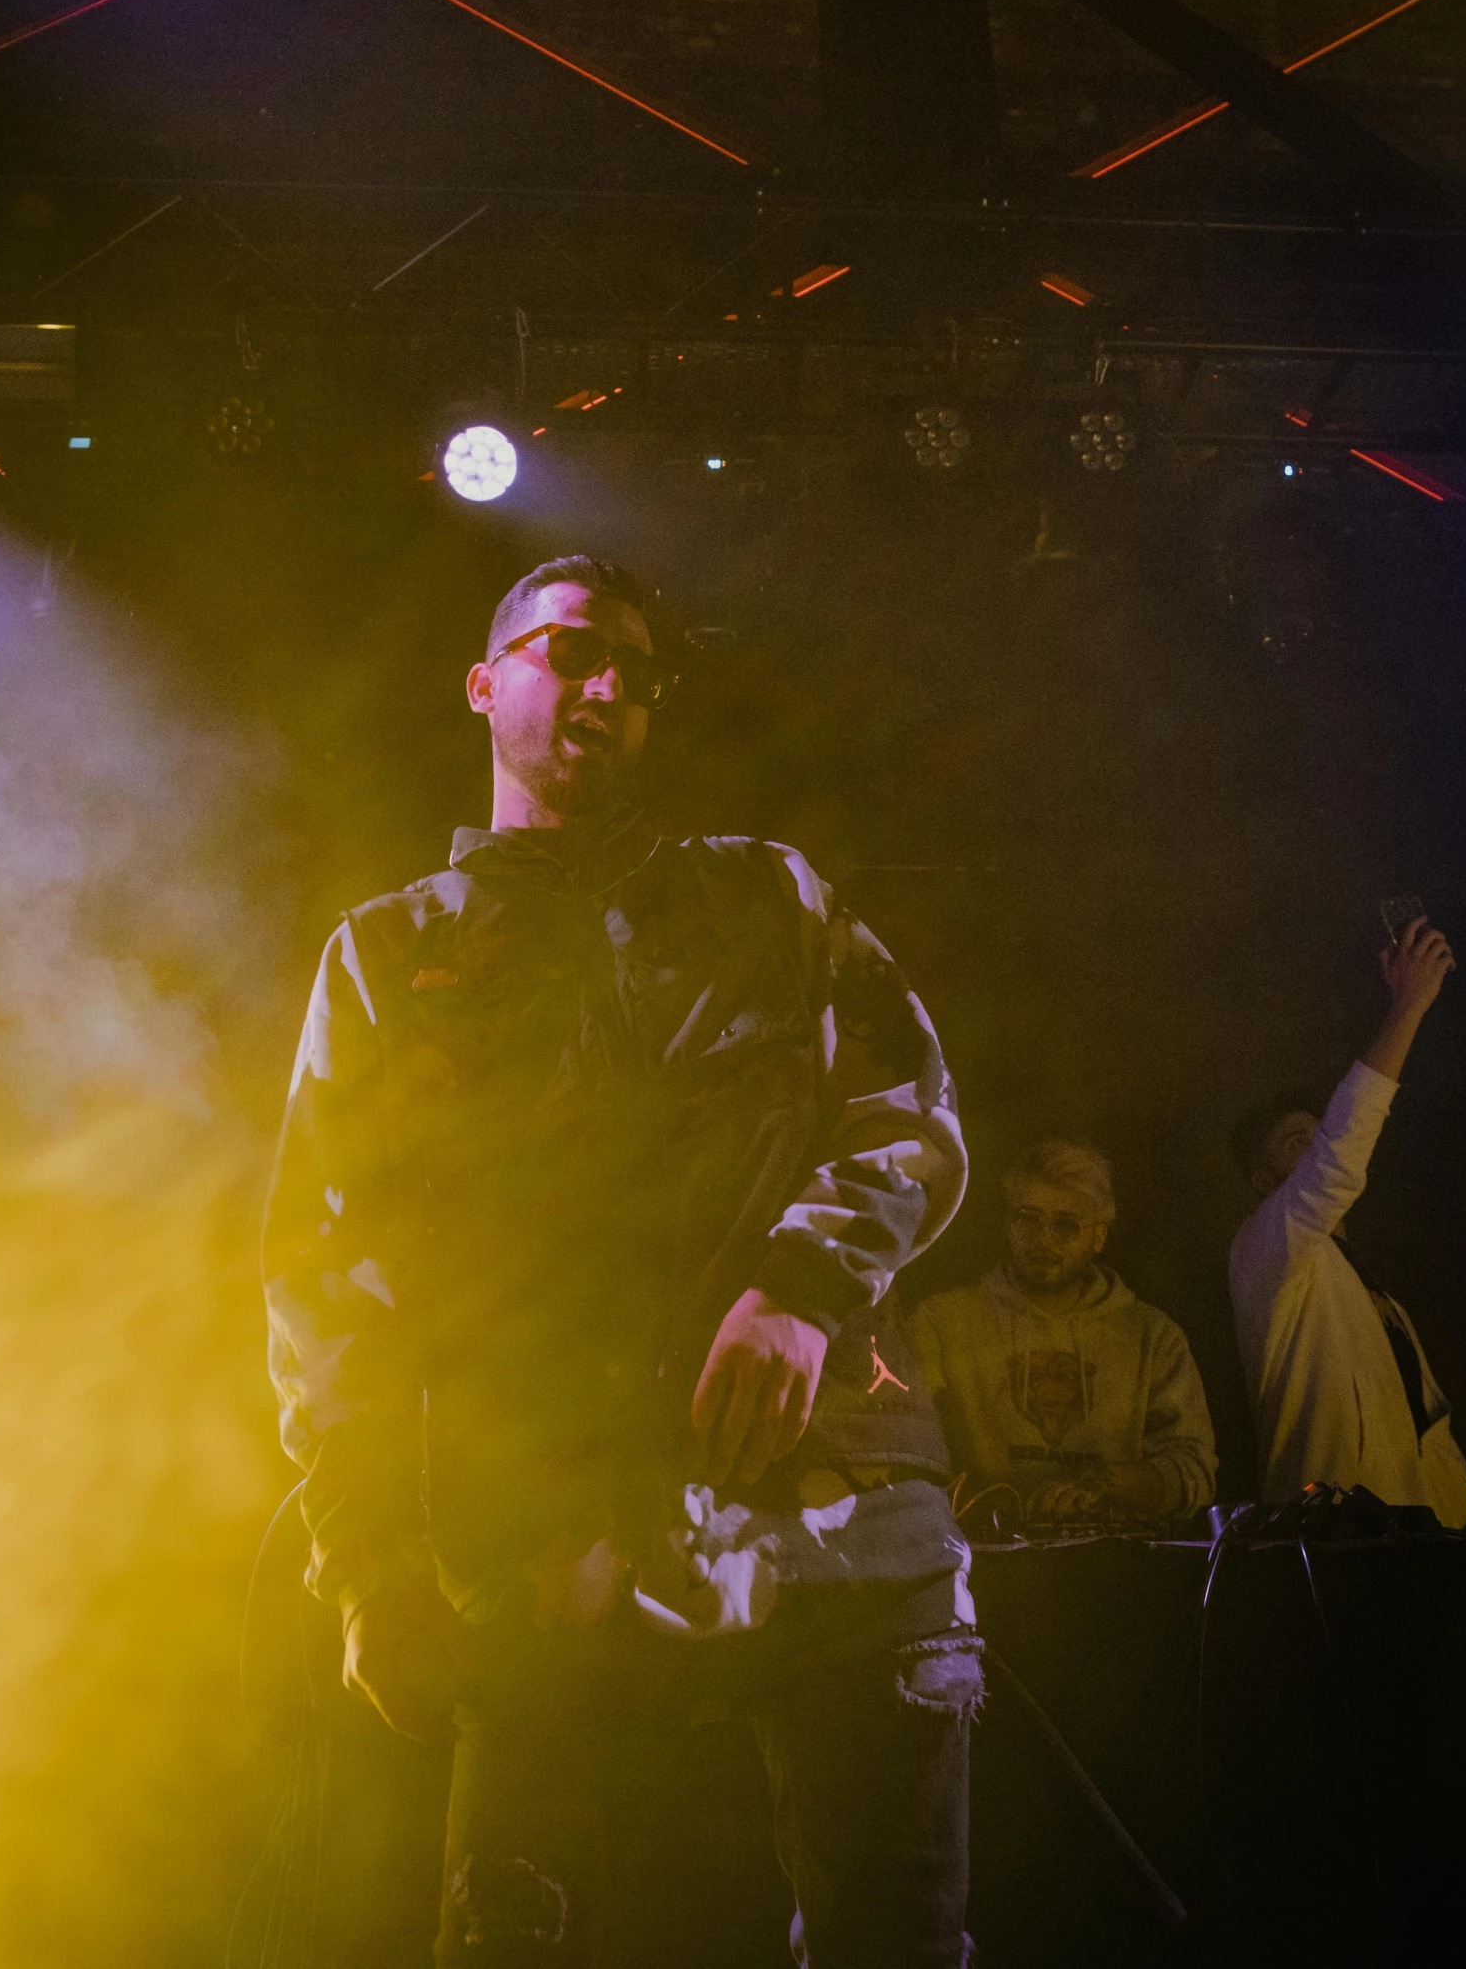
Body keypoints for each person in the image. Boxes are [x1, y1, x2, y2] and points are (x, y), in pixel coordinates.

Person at [262, 556, 982, 1969]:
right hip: (545, 1542)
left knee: (894, 1941)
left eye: (639, 675)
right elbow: (327, 1272)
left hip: (835, 1531)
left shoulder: (766, 895)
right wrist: (365, 1562)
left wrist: (797, 1287)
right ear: (485, 685)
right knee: (515, 1936)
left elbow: (911, 1117)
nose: (607, 688)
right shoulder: (389, 954)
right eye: (572, 651)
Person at [1227, 913, 1466, 1527]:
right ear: (1263, 1181)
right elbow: (1340, 1153)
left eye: (1317, 1135)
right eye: (1295, 1143)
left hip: (1425, 1553)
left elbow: (1430, 1434)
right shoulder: (1262, 1249)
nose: (1315, 1148)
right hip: (1331, 1555)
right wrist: (1408, 1008)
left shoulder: (1374, 1293)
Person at [912, 1141, 1217, 1528]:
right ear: (1008, 1222)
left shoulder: (1152, 1337)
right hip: (979, 1558)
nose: (1043, 1239)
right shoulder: (942, 1322)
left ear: (1099, 1237)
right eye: (1028, 1218)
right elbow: (908, 1447)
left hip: (1117, 1564)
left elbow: (1192, 1468)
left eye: (1065, 1225)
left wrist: (1104, 1484)